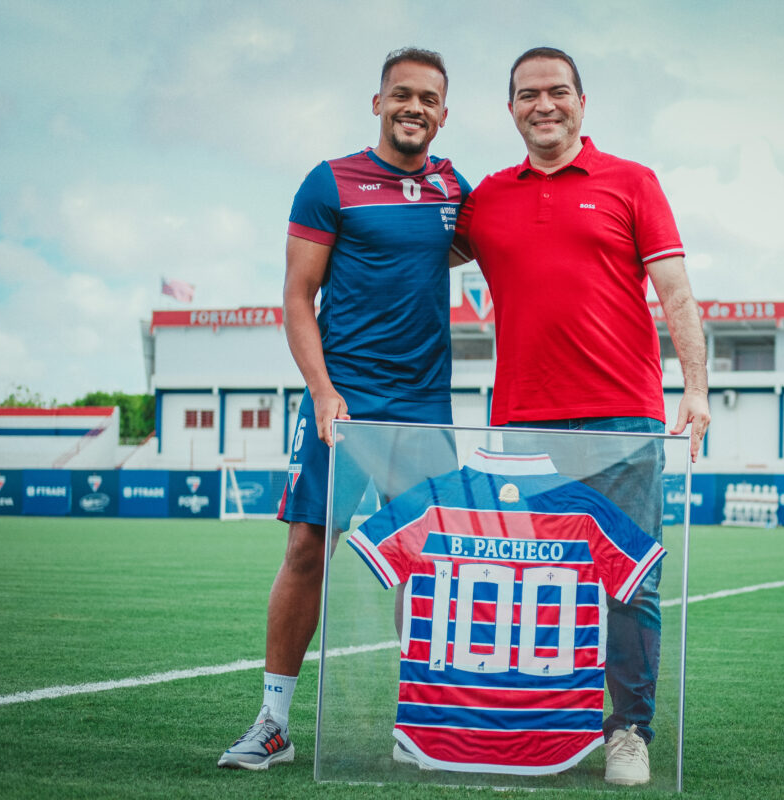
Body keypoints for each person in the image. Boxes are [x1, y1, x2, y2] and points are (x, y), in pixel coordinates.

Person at [451, 46, 711, 786]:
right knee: (533, 581)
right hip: (522, 425)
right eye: (528, 94)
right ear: (510, 110)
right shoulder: (488, 198)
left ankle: (627, 732)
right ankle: (542, 726)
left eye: (557, 91)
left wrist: (694, 388)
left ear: (581, 101)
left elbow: (677, 294)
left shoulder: (632, 181)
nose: (544, 105)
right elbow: (410, 249)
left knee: (628, 581)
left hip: (623, 422)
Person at [218, 47, 470, 771]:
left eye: (428, 98)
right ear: (378, 102)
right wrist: (324, 390)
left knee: (427, 560)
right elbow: (298, 297)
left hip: (424, 407)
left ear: (444, 114)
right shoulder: (329, 183)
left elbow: (470, 246)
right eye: (401, 94)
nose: (413, 107)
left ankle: (419, 723)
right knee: (307, 550)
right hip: (344, 401)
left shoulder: (455, 187)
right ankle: (273, 723)